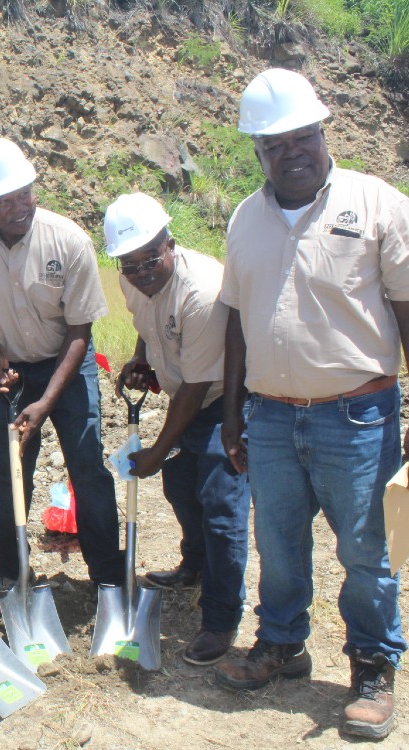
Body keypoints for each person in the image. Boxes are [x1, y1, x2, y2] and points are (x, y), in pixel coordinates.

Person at [214, 69, 409, 740]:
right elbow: (236, 323)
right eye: (276, 143)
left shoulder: (377, 203)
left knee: (365, 550)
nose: (292, 150)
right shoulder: (244, 218)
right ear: (259, 151)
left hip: (357, 415)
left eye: (304, 135)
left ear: (323, 132)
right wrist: (232, 413)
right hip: (269, 416)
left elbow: (407, 308)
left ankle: (373, 666)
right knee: (278, 542)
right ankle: (282, 644)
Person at [0, 136, 123, 604]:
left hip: (68, 365)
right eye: (6, 200)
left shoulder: (68, 240)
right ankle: (10, 571)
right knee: (10, 473)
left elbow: (80, 332)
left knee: (88, 469)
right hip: (11, 376)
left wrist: (47, 402)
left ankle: (108, 576)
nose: (21, 205)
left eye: (25, 193)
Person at [104, 192, 250, 666]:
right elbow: (148, 324)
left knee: (222, 507)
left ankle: (221, 618)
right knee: (181, 487)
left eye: (151, 258)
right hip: (189, 395)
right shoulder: (134, 279)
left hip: (222, 402)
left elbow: (194, 389)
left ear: (171, 244)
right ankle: (195, 565)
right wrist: (141, 358)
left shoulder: (201, 291)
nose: (142, 271)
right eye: (130, 264)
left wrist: (153, 452)